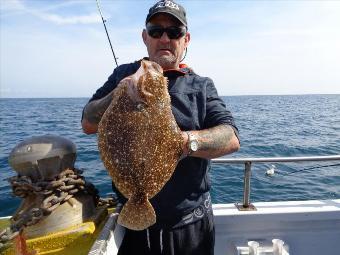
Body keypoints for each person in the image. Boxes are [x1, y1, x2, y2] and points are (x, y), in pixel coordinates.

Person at [81, 1, 240, 254]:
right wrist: (117, 94)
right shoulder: (123, 75)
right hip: (133, 230)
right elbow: (88, 124)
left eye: (174, 32)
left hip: (191, 226)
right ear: (145, 37)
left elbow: (231, 138)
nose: (165, 38)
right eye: (156, 31)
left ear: (185, 39)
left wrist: (182, 142)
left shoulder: (201, 86)